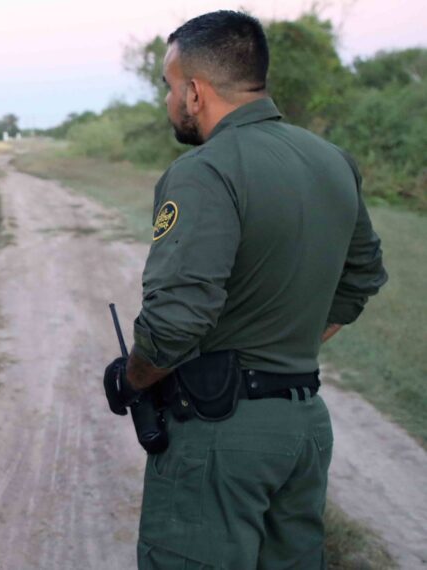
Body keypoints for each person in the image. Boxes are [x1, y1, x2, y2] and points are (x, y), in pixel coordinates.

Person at [101, 10, 387, 569]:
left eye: (168, 87)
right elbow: (361, 279)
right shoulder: (332, 161)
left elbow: (177, 321)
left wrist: (131, 380)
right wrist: (289, 342)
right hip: (303, 428)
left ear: (194, 92)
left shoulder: (204, 170)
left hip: (220, 436)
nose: (168, 101)